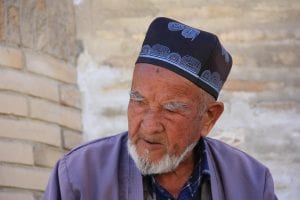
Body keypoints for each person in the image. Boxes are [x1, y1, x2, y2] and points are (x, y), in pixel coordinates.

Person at [43, 17, 277, 200]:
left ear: (208, 117)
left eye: (171, 108)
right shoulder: (77, 175)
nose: (149, 126)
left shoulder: (253, 183)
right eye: (138, 101)